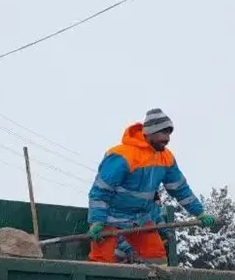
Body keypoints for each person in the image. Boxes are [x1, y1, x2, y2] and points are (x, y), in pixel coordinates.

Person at [87, 108, 215, 264]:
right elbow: (100, 191)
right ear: (149, 132)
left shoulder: (165, 158)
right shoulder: (122, 156)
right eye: (163, 133)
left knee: (157, 259)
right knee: (100, 263)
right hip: (110, 218)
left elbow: (180, 189)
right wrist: (97, 220)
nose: (167, 139)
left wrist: (199, 213)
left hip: (139, 219)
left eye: (169, 134)